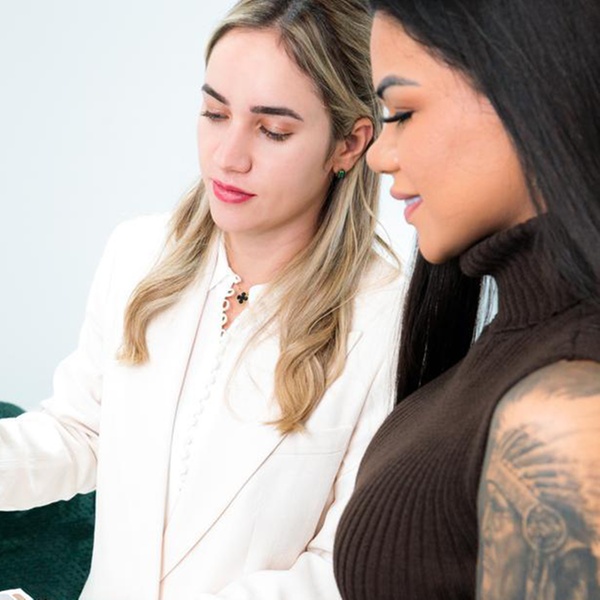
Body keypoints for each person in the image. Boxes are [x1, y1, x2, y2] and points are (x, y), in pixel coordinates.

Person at [0, 0, 404, 598]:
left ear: (349, 144)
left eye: (272, 130)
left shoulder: (390, 319)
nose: (227, 157)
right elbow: (81, 432)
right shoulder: (137, 253)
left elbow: (343, 562)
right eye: (215, 113)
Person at [333, 0, 600, 598]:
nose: (378, 155)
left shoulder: (565, 407)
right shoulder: (509, 352)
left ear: (529, 89)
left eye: (402, 112)